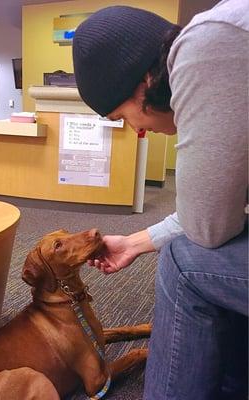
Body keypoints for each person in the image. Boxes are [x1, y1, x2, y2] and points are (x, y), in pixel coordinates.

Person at [72, 1, 248, 399]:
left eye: (123, 117)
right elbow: (216, 214)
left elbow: (209, 229)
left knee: (184, 263)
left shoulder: (209, 44)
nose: (138, 132)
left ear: (144, 82)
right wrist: (133, 244)